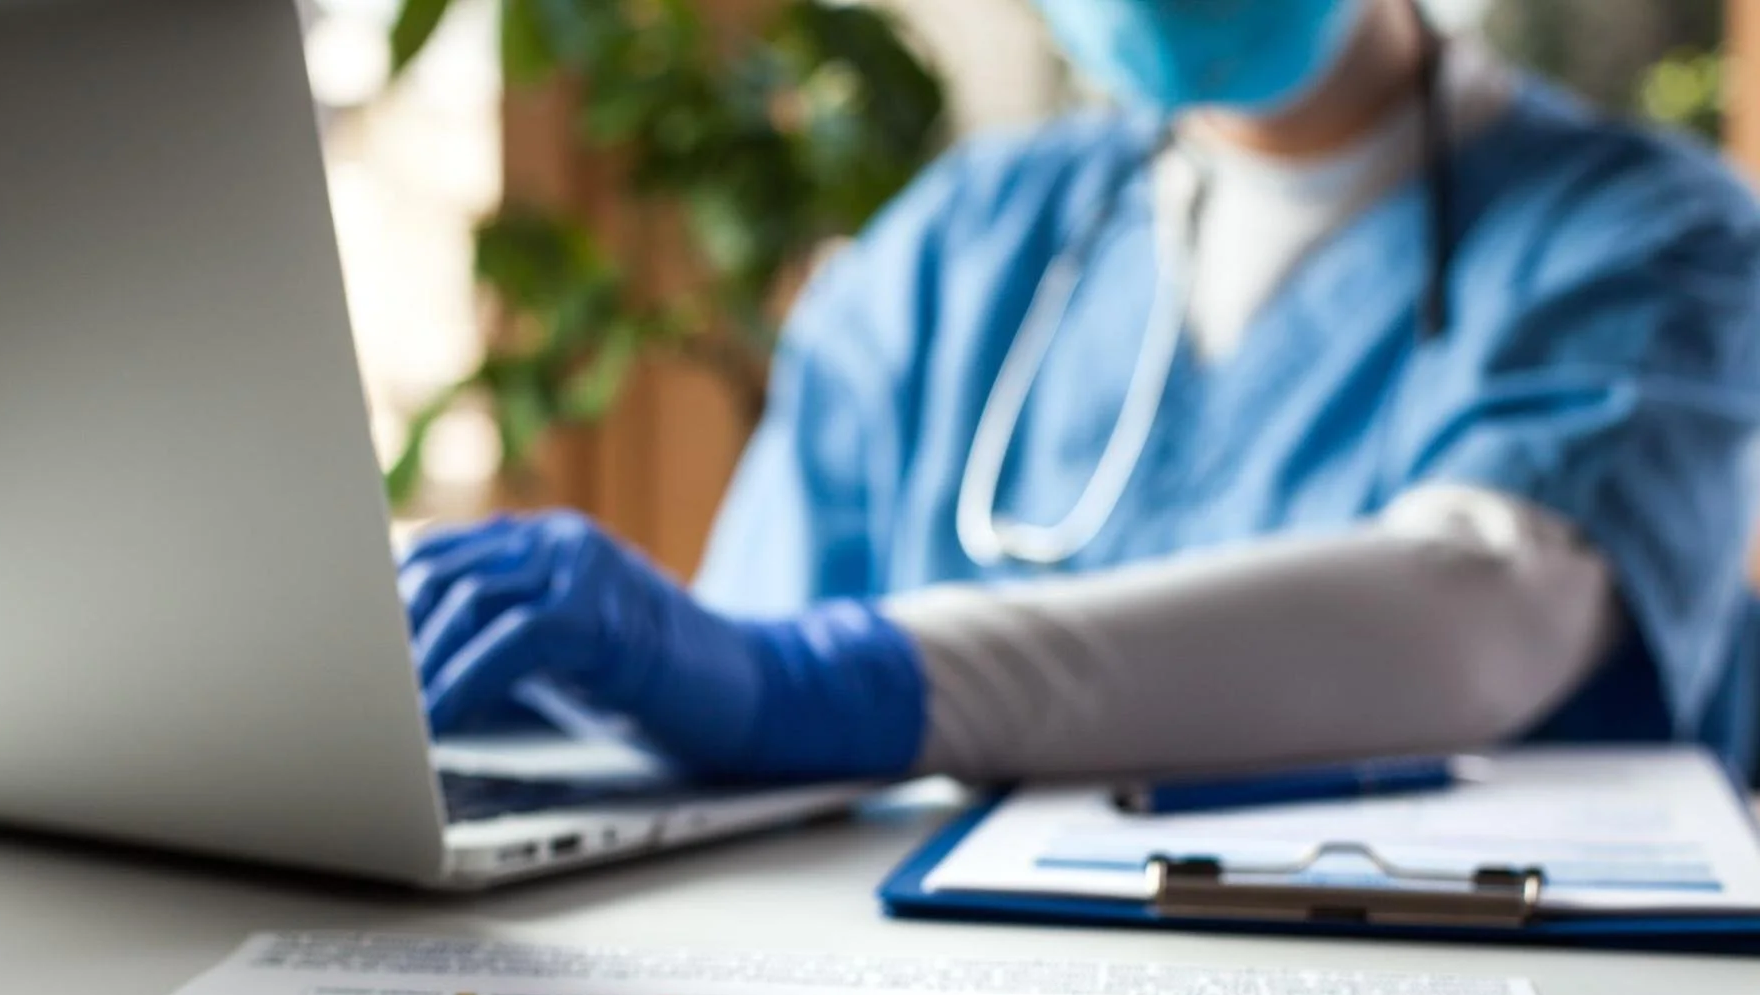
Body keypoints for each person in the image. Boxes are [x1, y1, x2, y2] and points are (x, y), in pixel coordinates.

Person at [398, 0, 1760, 784]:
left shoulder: (1648, 236)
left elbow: (1490, 608)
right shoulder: (962, 241)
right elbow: (740, 693)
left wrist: (832, 684)